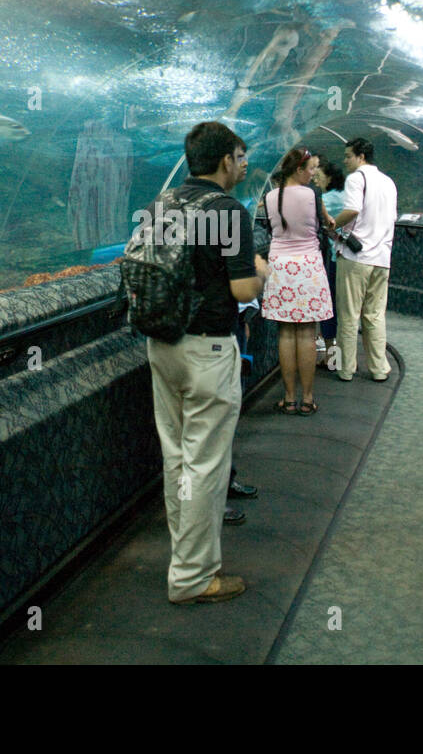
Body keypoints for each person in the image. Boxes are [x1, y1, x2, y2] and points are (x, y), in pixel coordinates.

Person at [146, 121, 267, 605]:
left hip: (162, 344)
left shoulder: (163, 203)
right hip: (208, 351)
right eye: (239, 158)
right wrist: (262, 272)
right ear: (223, 161)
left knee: (176, 458)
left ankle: (185, 560)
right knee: (206, 466)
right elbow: (241, 291)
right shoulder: (228, 212)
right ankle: (194, 578)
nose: (242, 166)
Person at [261, 147, 334, 415]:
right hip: (309, 268)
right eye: (311, 168)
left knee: (285, 333)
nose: (314, 174)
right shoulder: (313, 195)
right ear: (299, 169)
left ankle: (289, 398)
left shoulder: (270, 196)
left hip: (280, 267)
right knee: (306, 333)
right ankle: (308, 399)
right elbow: (326, 223)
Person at [332, 138, 398, 382]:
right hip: (382, 258)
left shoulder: (356, 178)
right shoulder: (389, 182)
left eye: (348, 156)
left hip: (356, 258)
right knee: (375, 315)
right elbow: (391, 218)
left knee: (349, 315)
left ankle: (346, 368)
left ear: (361, 157)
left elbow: (352, 210)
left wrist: (332, 223)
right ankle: (379, 369)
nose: (345, 160)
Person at [311, 159, 346, 362]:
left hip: (336, 257)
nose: (315, 181)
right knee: (344, 311)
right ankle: (340, 359)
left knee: (330, 306)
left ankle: (333, 359)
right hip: (350, 258)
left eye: (318, 177)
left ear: (329, 178)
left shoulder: (329, 199)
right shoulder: (345, 195)